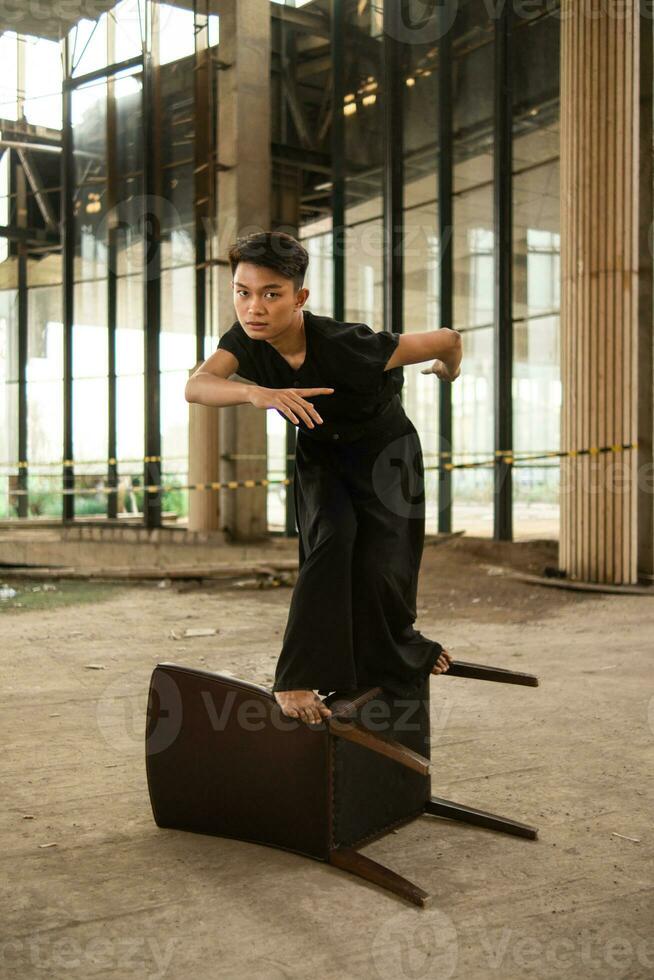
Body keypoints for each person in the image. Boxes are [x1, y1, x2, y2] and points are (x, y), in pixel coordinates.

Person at [185, 231, 462, 726]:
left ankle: (405, 648)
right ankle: (295, 677)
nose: (254, 307)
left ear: (299, 298)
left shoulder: (351, 345)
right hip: (322, 454)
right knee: (331, 541)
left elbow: (449, 339)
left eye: (271, 294)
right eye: (242, 292)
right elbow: (196, 385)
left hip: (385, 453)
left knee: (384, 561)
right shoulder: (244, 341)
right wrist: (256, 394)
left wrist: (447, 368)